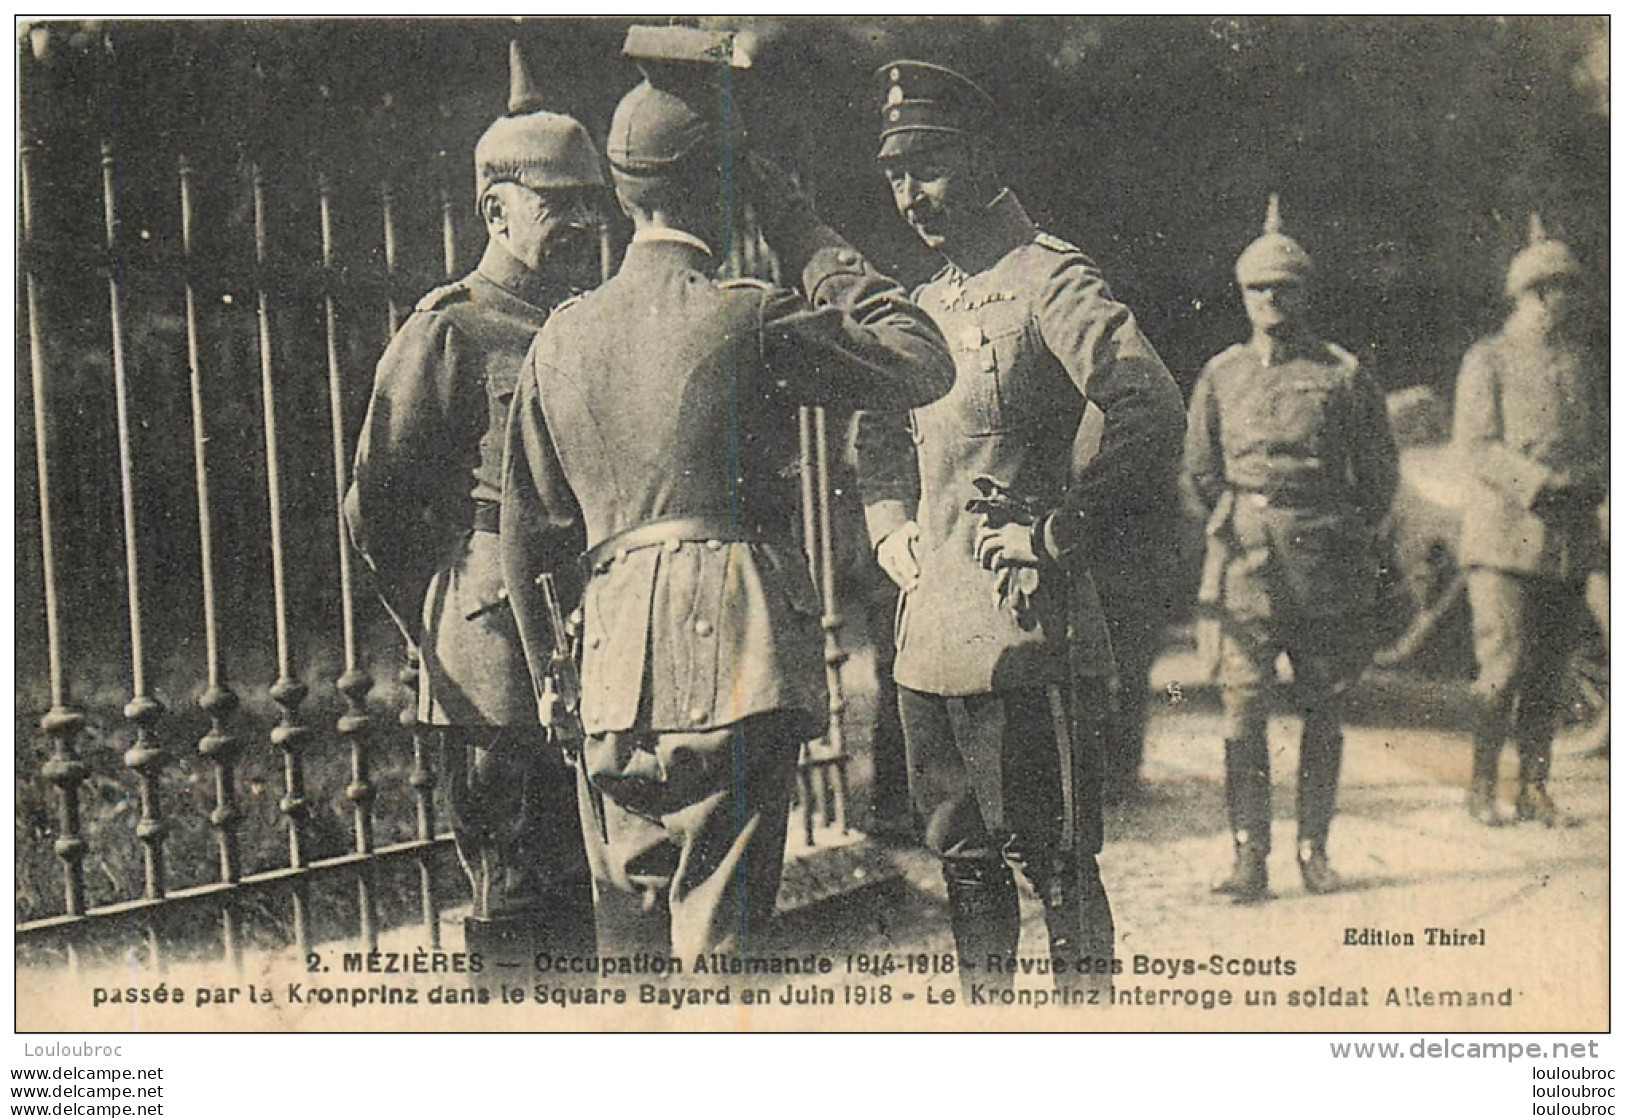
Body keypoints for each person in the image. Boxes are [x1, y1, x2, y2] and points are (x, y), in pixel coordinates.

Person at [499, 36, 953, 963]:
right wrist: (799, 227)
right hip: (734, 651)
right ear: (720, 187)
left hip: (611, 665)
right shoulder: (745, 312)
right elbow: (919, 358)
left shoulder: (558, 339)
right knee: (722, 948)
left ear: (623, 193)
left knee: (631, 949)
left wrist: (557, 676)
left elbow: (526, 538)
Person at [857, 60, 1184, 995]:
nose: (909, 195)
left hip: (1026, 629)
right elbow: (876, 427)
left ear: (980, 157)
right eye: (894, 175)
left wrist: (1055, 532)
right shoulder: (921, 305)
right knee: (960, 858)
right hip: (931, 637)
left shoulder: (1048, 276)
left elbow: (1147, 408)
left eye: (928, 167)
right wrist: (888, 529)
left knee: (1054, 863)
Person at [344, 44, 602, 954]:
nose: (579, 223)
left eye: (589, 203)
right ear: (495, 208)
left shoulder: (594, 320)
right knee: (521, 897)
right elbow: (375, 506)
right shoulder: (448, 329)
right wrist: (450, 608)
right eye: (554, 202)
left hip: (599, 635)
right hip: (495, 661)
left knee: (599, 893)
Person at [1183, 195, 1398, 903]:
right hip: (1245, 569)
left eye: (1284, 288)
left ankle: (1314, 849)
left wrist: (1339, 536)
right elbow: (1200, 471)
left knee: (1322, 710)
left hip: (1324, 569)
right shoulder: (1219, 375)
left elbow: (1377, 477)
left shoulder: (1341, 373)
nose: (1270, 299)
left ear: (1305, 294)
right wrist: (1234, 524)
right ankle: (1249, 857)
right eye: (1257, 288)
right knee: (1241, 714)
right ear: (1241, 297)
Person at [1454, 216, 1606, 825]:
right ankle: (1481, 785)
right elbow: (1477, 446)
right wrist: (1541, 482)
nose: (1569, 301)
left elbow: (1603, 439)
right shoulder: (1487, 359)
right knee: (1502, 667)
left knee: (1549, 672)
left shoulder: (1584, 364)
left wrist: (1593, 478)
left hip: (1568, 541)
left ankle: (1534, 788)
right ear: (1534, 293)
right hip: (1503, 543)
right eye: (1560, 289)